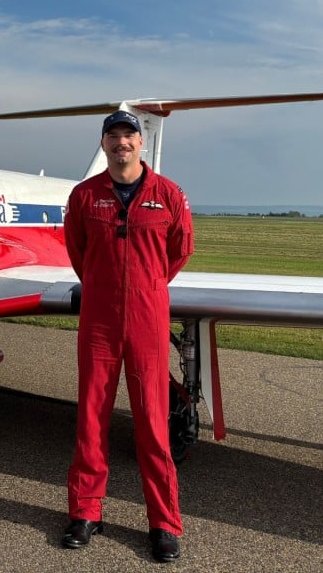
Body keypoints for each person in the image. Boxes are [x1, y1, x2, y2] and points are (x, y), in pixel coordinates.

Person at [61, 109, 194, 563]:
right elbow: (78, 251)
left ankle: (163, 523)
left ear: (140, 143)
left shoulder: (168, 194)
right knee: (91, 418)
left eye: (129, 135)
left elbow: (179, 251)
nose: (122, 143)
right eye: (113, 136)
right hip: (98, 319)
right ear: (104, 144)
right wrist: (105, 285)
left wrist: (146, 286)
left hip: (147, 319)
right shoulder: (84, 196)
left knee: (153, 424)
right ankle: (84, 511)